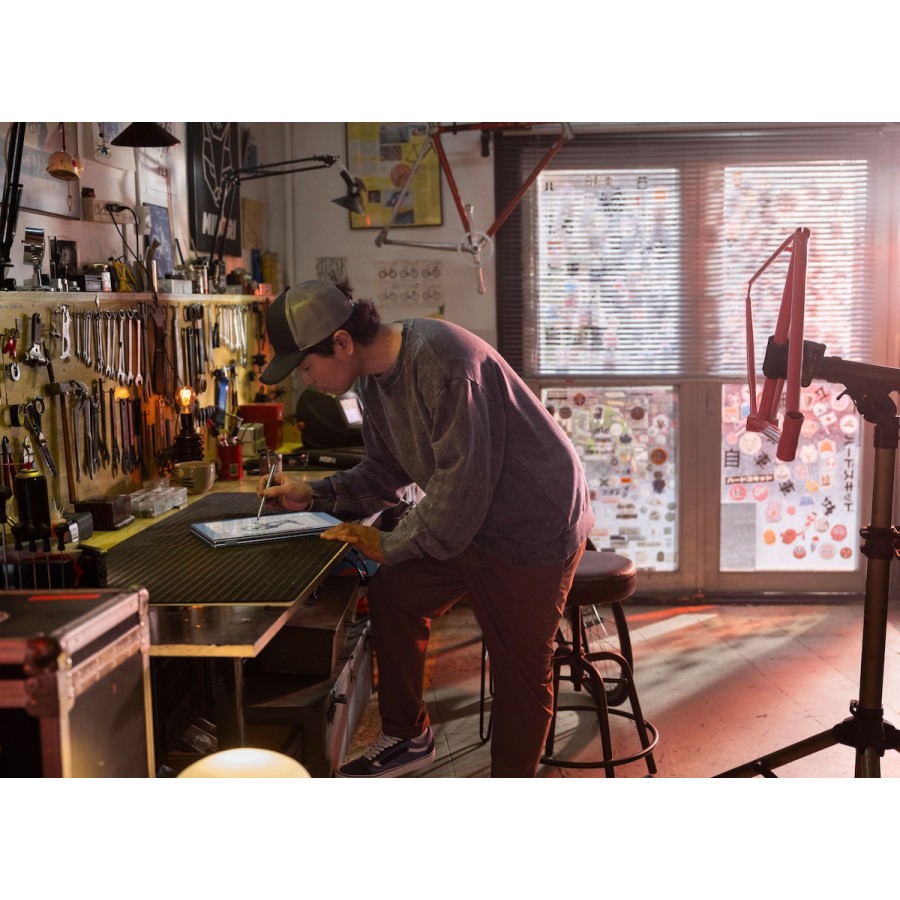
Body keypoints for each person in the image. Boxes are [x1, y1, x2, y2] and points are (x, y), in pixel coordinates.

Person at [257, 279, 594, 778]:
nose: (306, 381)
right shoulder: (372, 381)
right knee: (395, 592)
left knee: (519, 674)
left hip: (532, 523)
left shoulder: (444, 365)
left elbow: (461, 492)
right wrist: (317, 494)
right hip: (472, 521)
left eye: (306, 367)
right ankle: (407, 736)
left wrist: (388, 542)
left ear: (342, 343)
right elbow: (385, 472)